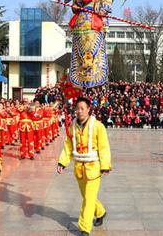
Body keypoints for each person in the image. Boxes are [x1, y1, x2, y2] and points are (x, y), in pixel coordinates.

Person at [57, 97, 111, 236]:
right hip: (79, 168)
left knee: (88, 198)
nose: (79, 111)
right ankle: (100, 212)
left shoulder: (98, 126)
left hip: (94, 168)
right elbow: (68, 146)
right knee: (87, 197)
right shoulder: (72, 126)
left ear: (88, 109)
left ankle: (84, 228)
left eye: (82, 108)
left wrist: (105, 165)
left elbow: (104, 147)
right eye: (77, 108)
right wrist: (62, 162)